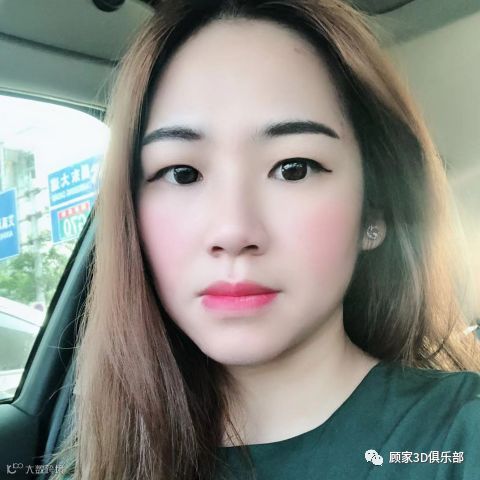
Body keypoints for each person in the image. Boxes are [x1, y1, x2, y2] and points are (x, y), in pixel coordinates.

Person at [49, 0, 480, 479]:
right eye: (182, 173)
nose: (233, 231)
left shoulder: (462, 439)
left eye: (293, 169)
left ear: (374, 211)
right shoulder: (94, 463)